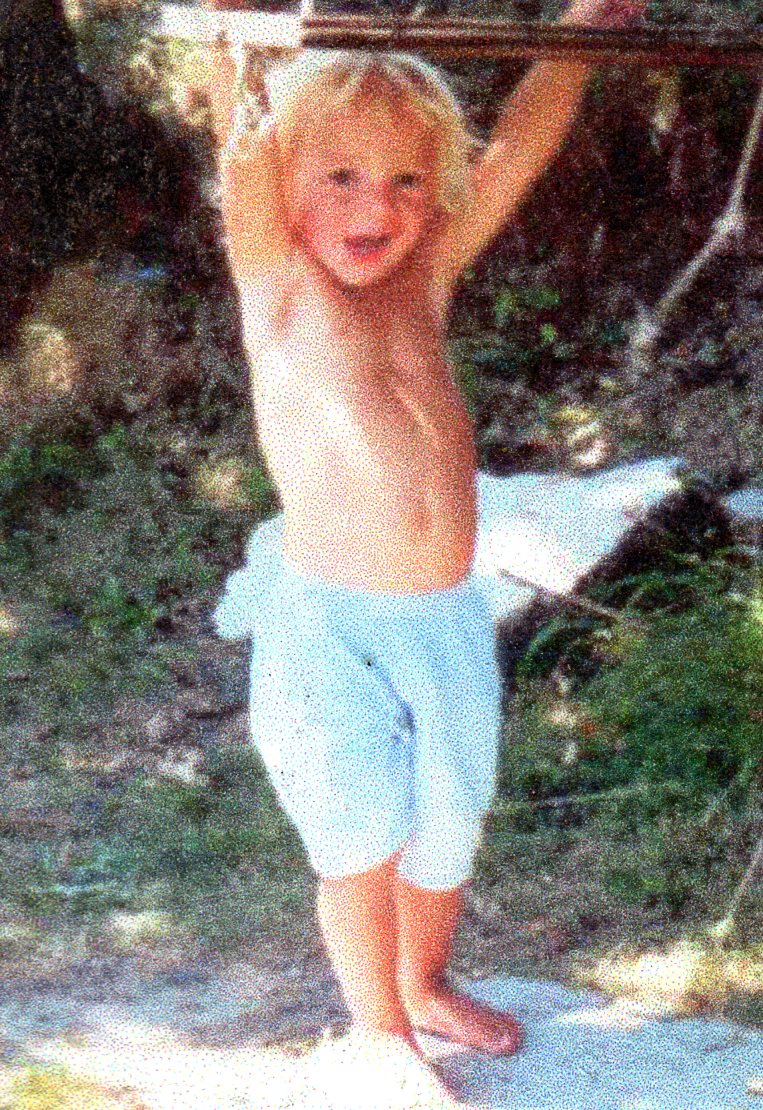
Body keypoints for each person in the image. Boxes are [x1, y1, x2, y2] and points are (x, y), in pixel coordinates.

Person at [209, 0, 644, 1101]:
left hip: (444, 616)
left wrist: (584, 28)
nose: (379, 206)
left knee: (447, 821)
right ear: (283, 183)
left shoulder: (427, 276)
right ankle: (377, 1033)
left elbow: (520, 146)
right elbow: (241, 139)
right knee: (358, 835)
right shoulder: (277, 280)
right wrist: (235, 37)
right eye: (341, 176)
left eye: (408, 180)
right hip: (328, 630)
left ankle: (426, 981)